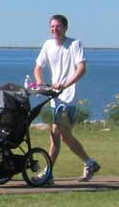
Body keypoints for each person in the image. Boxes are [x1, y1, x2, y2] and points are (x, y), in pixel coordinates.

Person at [33, 14, 100, 183]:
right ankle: (89, 163)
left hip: (68, 98)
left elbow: (81, 69)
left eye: (58, 26)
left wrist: (65, 84)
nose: (54, 29)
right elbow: (38, 68)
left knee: (55, 134)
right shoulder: (48, 45)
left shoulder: (75, 44)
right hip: (55, 98)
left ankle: (48, 174)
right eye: (52, 27)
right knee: (65, 137)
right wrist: (40, 83)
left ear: (65, 28)